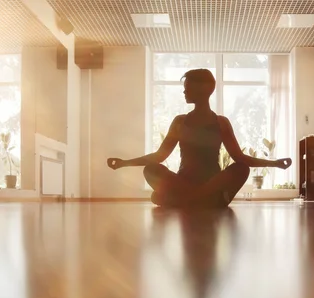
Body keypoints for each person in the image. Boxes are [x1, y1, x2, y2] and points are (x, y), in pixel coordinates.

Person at [107, 68, 292, 208]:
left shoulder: (221, 123)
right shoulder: (180, 122)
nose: (184, 92)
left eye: (187, 88)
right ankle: (201, 199)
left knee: (241, 169)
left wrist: (274, 163)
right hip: (188, 184)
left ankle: (186, 199)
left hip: (211, 183)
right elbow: (159, 157)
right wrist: (124, 163)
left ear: (203, 90)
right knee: (151, 169)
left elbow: (241, 159)